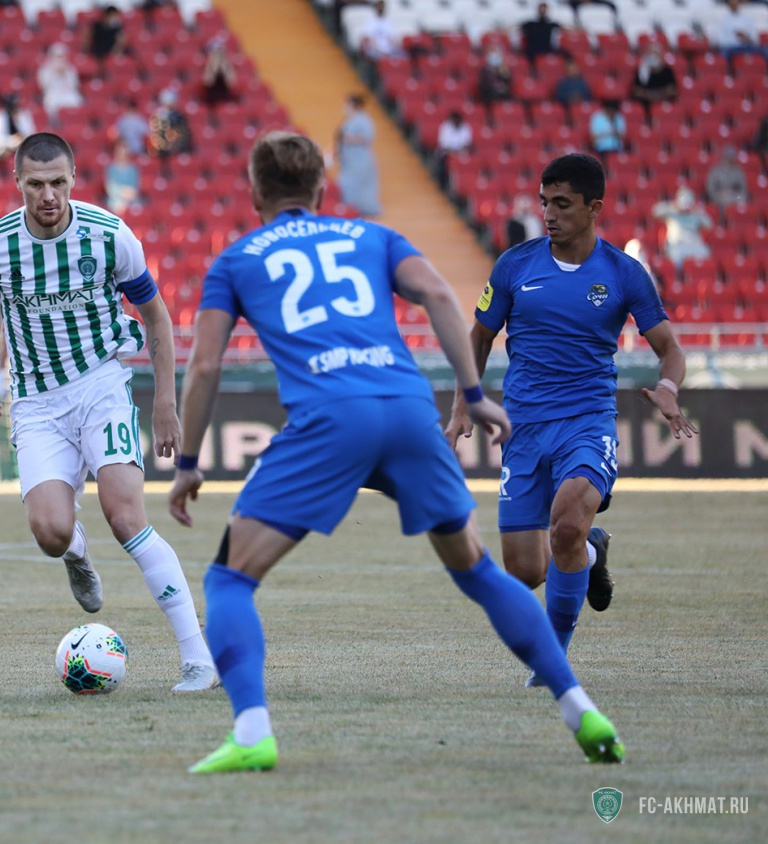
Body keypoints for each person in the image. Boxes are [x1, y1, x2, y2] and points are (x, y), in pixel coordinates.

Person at [169, 131, 626, 773]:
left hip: (330, 416)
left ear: (253, 195)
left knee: (230, 579)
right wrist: (472, 393)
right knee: (479, 572)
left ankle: (251, 733)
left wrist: (188, 464)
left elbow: (204, 365)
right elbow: (438, 295)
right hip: (409, 410)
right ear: (322, 190)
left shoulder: (236, 260)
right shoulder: (373, 237)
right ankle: (580, 707)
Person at [0, 132, 218, 693]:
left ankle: (198, 658)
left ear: (74, 179)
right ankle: (75, 552)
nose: (49, 196)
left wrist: (164, 403)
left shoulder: (109, 235)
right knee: (50, 533)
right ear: (18, 182)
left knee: (126, 517)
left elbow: (155, 315)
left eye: (58, 182)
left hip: (100, 384)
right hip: (35, 400)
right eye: (37, 184)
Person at [445, 153, 697, 691]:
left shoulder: (624, 274)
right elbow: (480, 338)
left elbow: (670, 349)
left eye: (561, 204)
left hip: (587, 421)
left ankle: (552, 662)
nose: (549, 214)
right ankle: (591, 550)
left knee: (565, 522)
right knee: (526, 571)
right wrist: (463, 404)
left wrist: (670, 389)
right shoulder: (514, 265)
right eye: (544, 203)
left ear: (593, 207)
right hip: (522, 428)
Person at [335, 93, 380, 218]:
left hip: (360, 160)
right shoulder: (349, 120)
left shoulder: (364, 119)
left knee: (359, 185)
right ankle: (350, 210)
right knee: (347, 184)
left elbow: (368, 138)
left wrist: (349, 139)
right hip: (349, 160)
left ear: (352, 104)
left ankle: (363, 210)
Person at [652, 186, 713, 269]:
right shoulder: (672, 212)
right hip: (677, 245)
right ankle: (679, 275)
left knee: (705, 252)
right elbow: (656, 212)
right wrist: (674, 207)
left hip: (693, 244)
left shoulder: (695, 214)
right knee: (677, 256)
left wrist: (698, 212)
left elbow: (709, 225)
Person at [37, 43, 84, 126]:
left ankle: (74, 123)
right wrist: (54, 72)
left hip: (67, 93)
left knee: (76, 99)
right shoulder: (45, 70)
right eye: (57, 56)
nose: (59, 59)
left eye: (61, 56)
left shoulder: (70, 69)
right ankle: (55, 125)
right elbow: (43, 86)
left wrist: (64, 74)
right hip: (52, 94)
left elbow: (74, 86)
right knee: (50, 102)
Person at [713, 0, 768, 69]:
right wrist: (737, 39)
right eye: (731, 3)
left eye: (735, 3)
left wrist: (746, 38)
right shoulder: (722, 20)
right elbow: (722, 40)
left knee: (765, 50)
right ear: (728, 5)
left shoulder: (747, 18)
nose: (734, 5)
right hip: (731, 47)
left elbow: (755, 39)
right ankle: (729, 73)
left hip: (747, 46)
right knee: (724, 53)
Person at [629, 44, 677, 118]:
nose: (653, 57)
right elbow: (636, 91)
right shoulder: (642, 71)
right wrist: (649, 96)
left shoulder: (667, 71)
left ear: (661, 56)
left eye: (655, 55)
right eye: (650, 55)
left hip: (664, 104)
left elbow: (672, 90)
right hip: (646, 106)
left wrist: (659, 96)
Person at [0, 93, 36, 161]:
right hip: (2, 151)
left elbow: (31, 134)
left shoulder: (23, 115)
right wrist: (11, 141)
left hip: (22, 148)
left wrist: (18, 123)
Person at [148, 87, 193, 158]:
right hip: (163, 148)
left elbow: (183, 134)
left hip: (177, 147)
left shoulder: (179, 116)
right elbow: (155, 135)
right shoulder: (158, 115)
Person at [705, 145, 749, 214]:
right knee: (725, 199)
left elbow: (743, 188)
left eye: (732, 157)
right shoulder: (715, 170)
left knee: (741, 198)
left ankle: (739, 218)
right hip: (720, 195)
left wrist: (735, 192)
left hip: (735, 195)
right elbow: (711, 189)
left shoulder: (738, 171)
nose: (731, 159)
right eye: (729, 157)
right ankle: (726, 219)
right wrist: (720, 193)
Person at [435, 110, 472, 189]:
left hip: (461, 153)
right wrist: (452, 151)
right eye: (454, 120)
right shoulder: (446, 127)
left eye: (458, 120)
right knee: (443, 163)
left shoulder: (465, 127)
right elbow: (443, 144)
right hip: (447, 153)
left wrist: (459, 151)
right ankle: (442, 184)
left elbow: (467, 143)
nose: (456, 122)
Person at [519, 2, 563, 69]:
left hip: (547, 47)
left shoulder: (551, 24)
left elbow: (563, 28)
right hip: (532, 47)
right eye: (541, 9)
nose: (542, 10)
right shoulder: (531, 24)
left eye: (544, 9)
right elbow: (519, 28)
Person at [200, 35, 237, 107]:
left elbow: (231, 83)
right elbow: (208, 82)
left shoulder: (227, 65)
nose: (218, 55)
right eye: (216, 53)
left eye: (220, 53)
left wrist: (225, 67)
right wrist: (213, 66)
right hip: (212, 100)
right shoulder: (209, 66)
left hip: (225, 98)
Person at [105, 141, 141, 214]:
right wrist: (122, 193)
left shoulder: (133, 169)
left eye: (124, 153)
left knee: (137, 209)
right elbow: (110, 188)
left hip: (131, 198)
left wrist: (130, 193)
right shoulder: (111, 169)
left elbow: (135, 186)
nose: (122, 155)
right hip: (115, 199)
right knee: (118, 208)